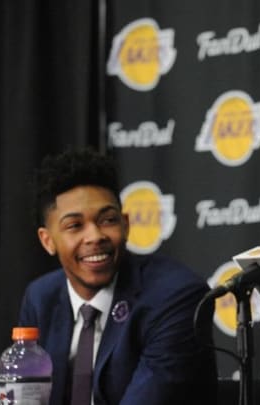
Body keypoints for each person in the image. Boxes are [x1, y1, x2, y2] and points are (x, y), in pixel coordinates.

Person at [18, 148, 218, 405]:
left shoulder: (175, 296)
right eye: (75, 226)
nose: (95, 236)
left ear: (125, 225)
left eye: (107, 220)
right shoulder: (40, 298)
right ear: (47, 241)